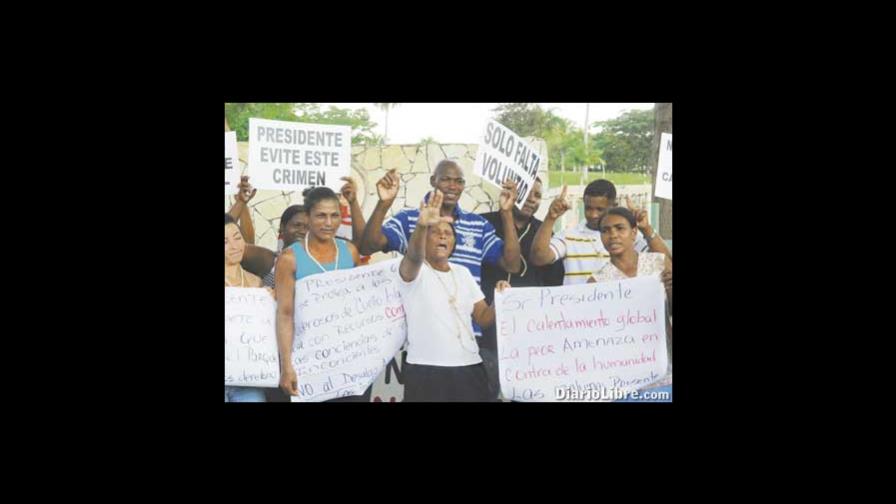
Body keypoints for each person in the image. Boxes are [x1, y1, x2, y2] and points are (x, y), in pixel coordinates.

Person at [359, 160, 522, 342]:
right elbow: (368, 246)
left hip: (468, 337)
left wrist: (507, 213)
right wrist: (384, 204)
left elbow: (512, 265)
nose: (453, 186)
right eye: (446, 179)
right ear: (433, 181)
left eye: (459, 181)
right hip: (423, 336)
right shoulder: (410, 218)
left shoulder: (478, 225)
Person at [397, 189, 510, 401]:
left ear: (453, 244)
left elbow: (483, 317)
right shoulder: (414, 270)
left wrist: (500, 298)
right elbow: (413, 256)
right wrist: (421, 226)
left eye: (448, 233)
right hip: (426, 369)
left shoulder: (463, 273)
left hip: (469, 366)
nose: (442, 235)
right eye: (435, 232)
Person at [274, 187, 371, 402]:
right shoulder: (290, 258)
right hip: (310, 364)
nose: (329, 223)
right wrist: (287, 366)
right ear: (308, 217)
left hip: (350, 360)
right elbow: (285, 314)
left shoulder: (350, 251)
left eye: (334, 215)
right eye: (321, 215)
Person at [478, 176, 564, 400]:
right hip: (485, 331)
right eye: (527, 193)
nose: (532, 200)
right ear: (513, 193)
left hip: (527, 337)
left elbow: (553, 283)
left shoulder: (543, 233)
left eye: (537, 195)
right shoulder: (483, 224)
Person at [587, 207, 673, 401]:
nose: (613, 235)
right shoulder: (596, 282)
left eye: (620, 228)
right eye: (605, 230)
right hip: (622, 379)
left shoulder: (658, 264)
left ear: (634, 232)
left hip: (664, 371)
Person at [530, 179, 672, 284]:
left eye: (600, 209)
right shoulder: (569, 236)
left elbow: (666, 263)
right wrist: (550, 218)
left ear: (613, 205)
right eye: (588, 208)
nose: (593, 215)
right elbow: (539, 258)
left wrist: (646, 229)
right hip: (578, 316)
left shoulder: (629, 236)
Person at [225, 213, 275, 402]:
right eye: (225, 241)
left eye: (237, 238)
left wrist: (270, 304)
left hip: (248, 377)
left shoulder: (256, 282)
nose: (234, 246)